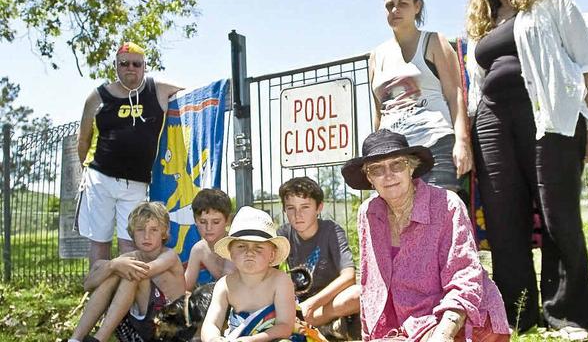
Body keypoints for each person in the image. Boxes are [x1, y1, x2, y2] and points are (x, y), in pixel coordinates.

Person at [465, 0, 588, 338]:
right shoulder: (484, 19)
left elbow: (587, 62)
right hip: (492, 120)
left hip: (548, 114)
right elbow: (477, 82)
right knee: (502, 214)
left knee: (557, 210)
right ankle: (517, 313)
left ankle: (567, 314)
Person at [341, 129, 510, 342]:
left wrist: (443, 334)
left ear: (411, 167)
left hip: (459, 322)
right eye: (377, 169)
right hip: (405, 327)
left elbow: (464, 278)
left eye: (397, 164)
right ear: (369, 178)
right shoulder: (368, 213)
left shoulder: (446, 205)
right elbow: (371, 285)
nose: (389, 175)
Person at [76, 41, 183, 268]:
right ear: (116, 65)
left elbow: (189, 93)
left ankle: (130, 302)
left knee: (131, 244)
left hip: (136, 182)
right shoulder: (98, 96)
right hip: (99, 179)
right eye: (124, 63)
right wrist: (89, 172)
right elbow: (83, 139)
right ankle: (99, 296)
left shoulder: (158, 89)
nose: (130, 68)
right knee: (100, 242)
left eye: (137, 63)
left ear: (145, 66)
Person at [369, 0, 473, 191]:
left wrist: (462, 142)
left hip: (434, 145)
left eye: (402, 3)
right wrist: (375, 155)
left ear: (417, 6)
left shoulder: (434, 42)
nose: (395, 9)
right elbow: (379, 113)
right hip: (394, 157)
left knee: (439, 217)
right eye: (389, 5)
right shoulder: (376, 56)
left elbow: (455, 95)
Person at [68, 202, 185, 342]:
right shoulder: (131, 257)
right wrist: (111, 265)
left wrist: (114, 266)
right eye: (141, 229)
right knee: (112, 270)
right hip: (139, 330)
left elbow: (143, 271)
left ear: (164, 232)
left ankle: (100, 338)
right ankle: (75, 339)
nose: (146, 236)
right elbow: (88, 285)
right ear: (132, 232)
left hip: (171, 330)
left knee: (132, 273)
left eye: (153, 230)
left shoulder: (169, 256)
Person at [278, 176, 360, 339]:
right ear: (284, 210)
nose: (297, 215)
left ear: (319, 207)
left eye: (305, 207)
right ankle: (325, 327)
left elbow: (349, 276)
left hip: (330, 300)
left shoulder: (331, 231)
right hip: (299, 304)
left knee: (358, 294)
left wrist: (312, 304)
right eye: (291, 208)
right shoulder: (283, 234)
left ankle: (306, 324)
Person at [201, 206, 296, 342]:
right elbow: (211, 323)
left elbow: (285, 326)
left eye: (258, 247)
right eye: (241, 246)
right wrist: (213, 339)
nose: (249, 252)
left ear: (272, 254)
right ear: (231, 253)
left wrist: (254, 340)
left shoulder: (280, 281)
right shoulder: (224, 285)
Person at [185, 188, 235, 291]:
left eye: (216, 222)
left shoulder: (234, 245)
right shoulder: (199, 249)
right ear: (195, 220)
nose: (208, 228)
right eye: (203, 222)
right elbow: (186, 287)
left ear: (227, 221)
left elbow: (226, 286)